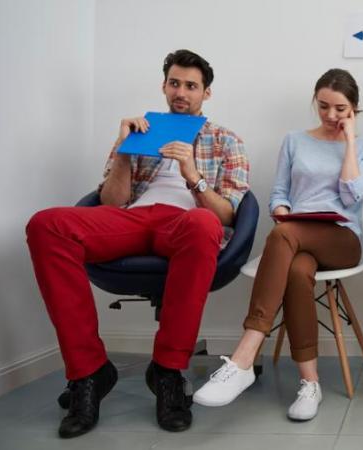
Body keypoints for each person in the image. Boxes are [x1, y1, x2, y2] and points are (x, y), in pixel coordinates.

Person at [25, 49, 249, 437]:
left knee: (202, 224)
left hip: (186, 222)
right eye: (174, 83)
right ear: (164, 86)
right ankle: (89, 371)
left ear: (206, 93)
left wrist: (193, 175)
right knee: (46, 225)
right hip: (132, 218)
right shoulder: (141, 131)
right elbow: (111, 203)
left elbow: (227, 216)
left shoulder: (227, 140)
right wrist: (124, 150)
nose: (181, 92)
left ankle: (167, 370)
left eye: (191, 86)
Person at [192, 69, 363, 422]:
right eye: (323, 106)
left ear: (353, 108)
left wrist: (350, 141)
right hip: (297, 236)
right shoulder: (294, 141)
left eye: (340, 108)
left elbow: (353, 196)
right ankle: (310, 383)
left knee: (282, 236)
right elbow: (279, 192)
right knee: (296, 269)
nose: (330, 115)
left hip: (341, 239)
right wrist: (281, 209)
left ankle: (244, 356)